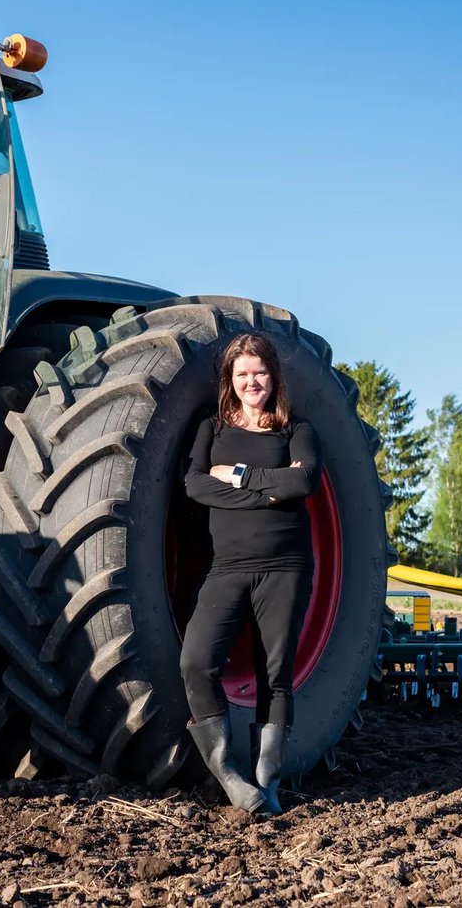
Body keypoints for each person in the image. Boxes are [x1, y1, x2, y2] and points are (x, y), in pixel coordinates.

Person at [180, 332, 319, 816]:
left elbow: (303, 480)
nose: (251, 381)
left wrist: (236, 476)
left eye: (259, 372)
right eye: (242, 374)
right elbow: (196, 485)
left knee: (274, 676)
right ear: (230, 380)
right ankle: (228, 774)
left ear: (273, 376)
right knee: (196, 661)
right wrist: (269, 492)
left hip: (286, 566)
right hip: (229, 567)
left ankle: (268, 784)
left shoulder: (295, 429)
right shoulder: (212, 429)